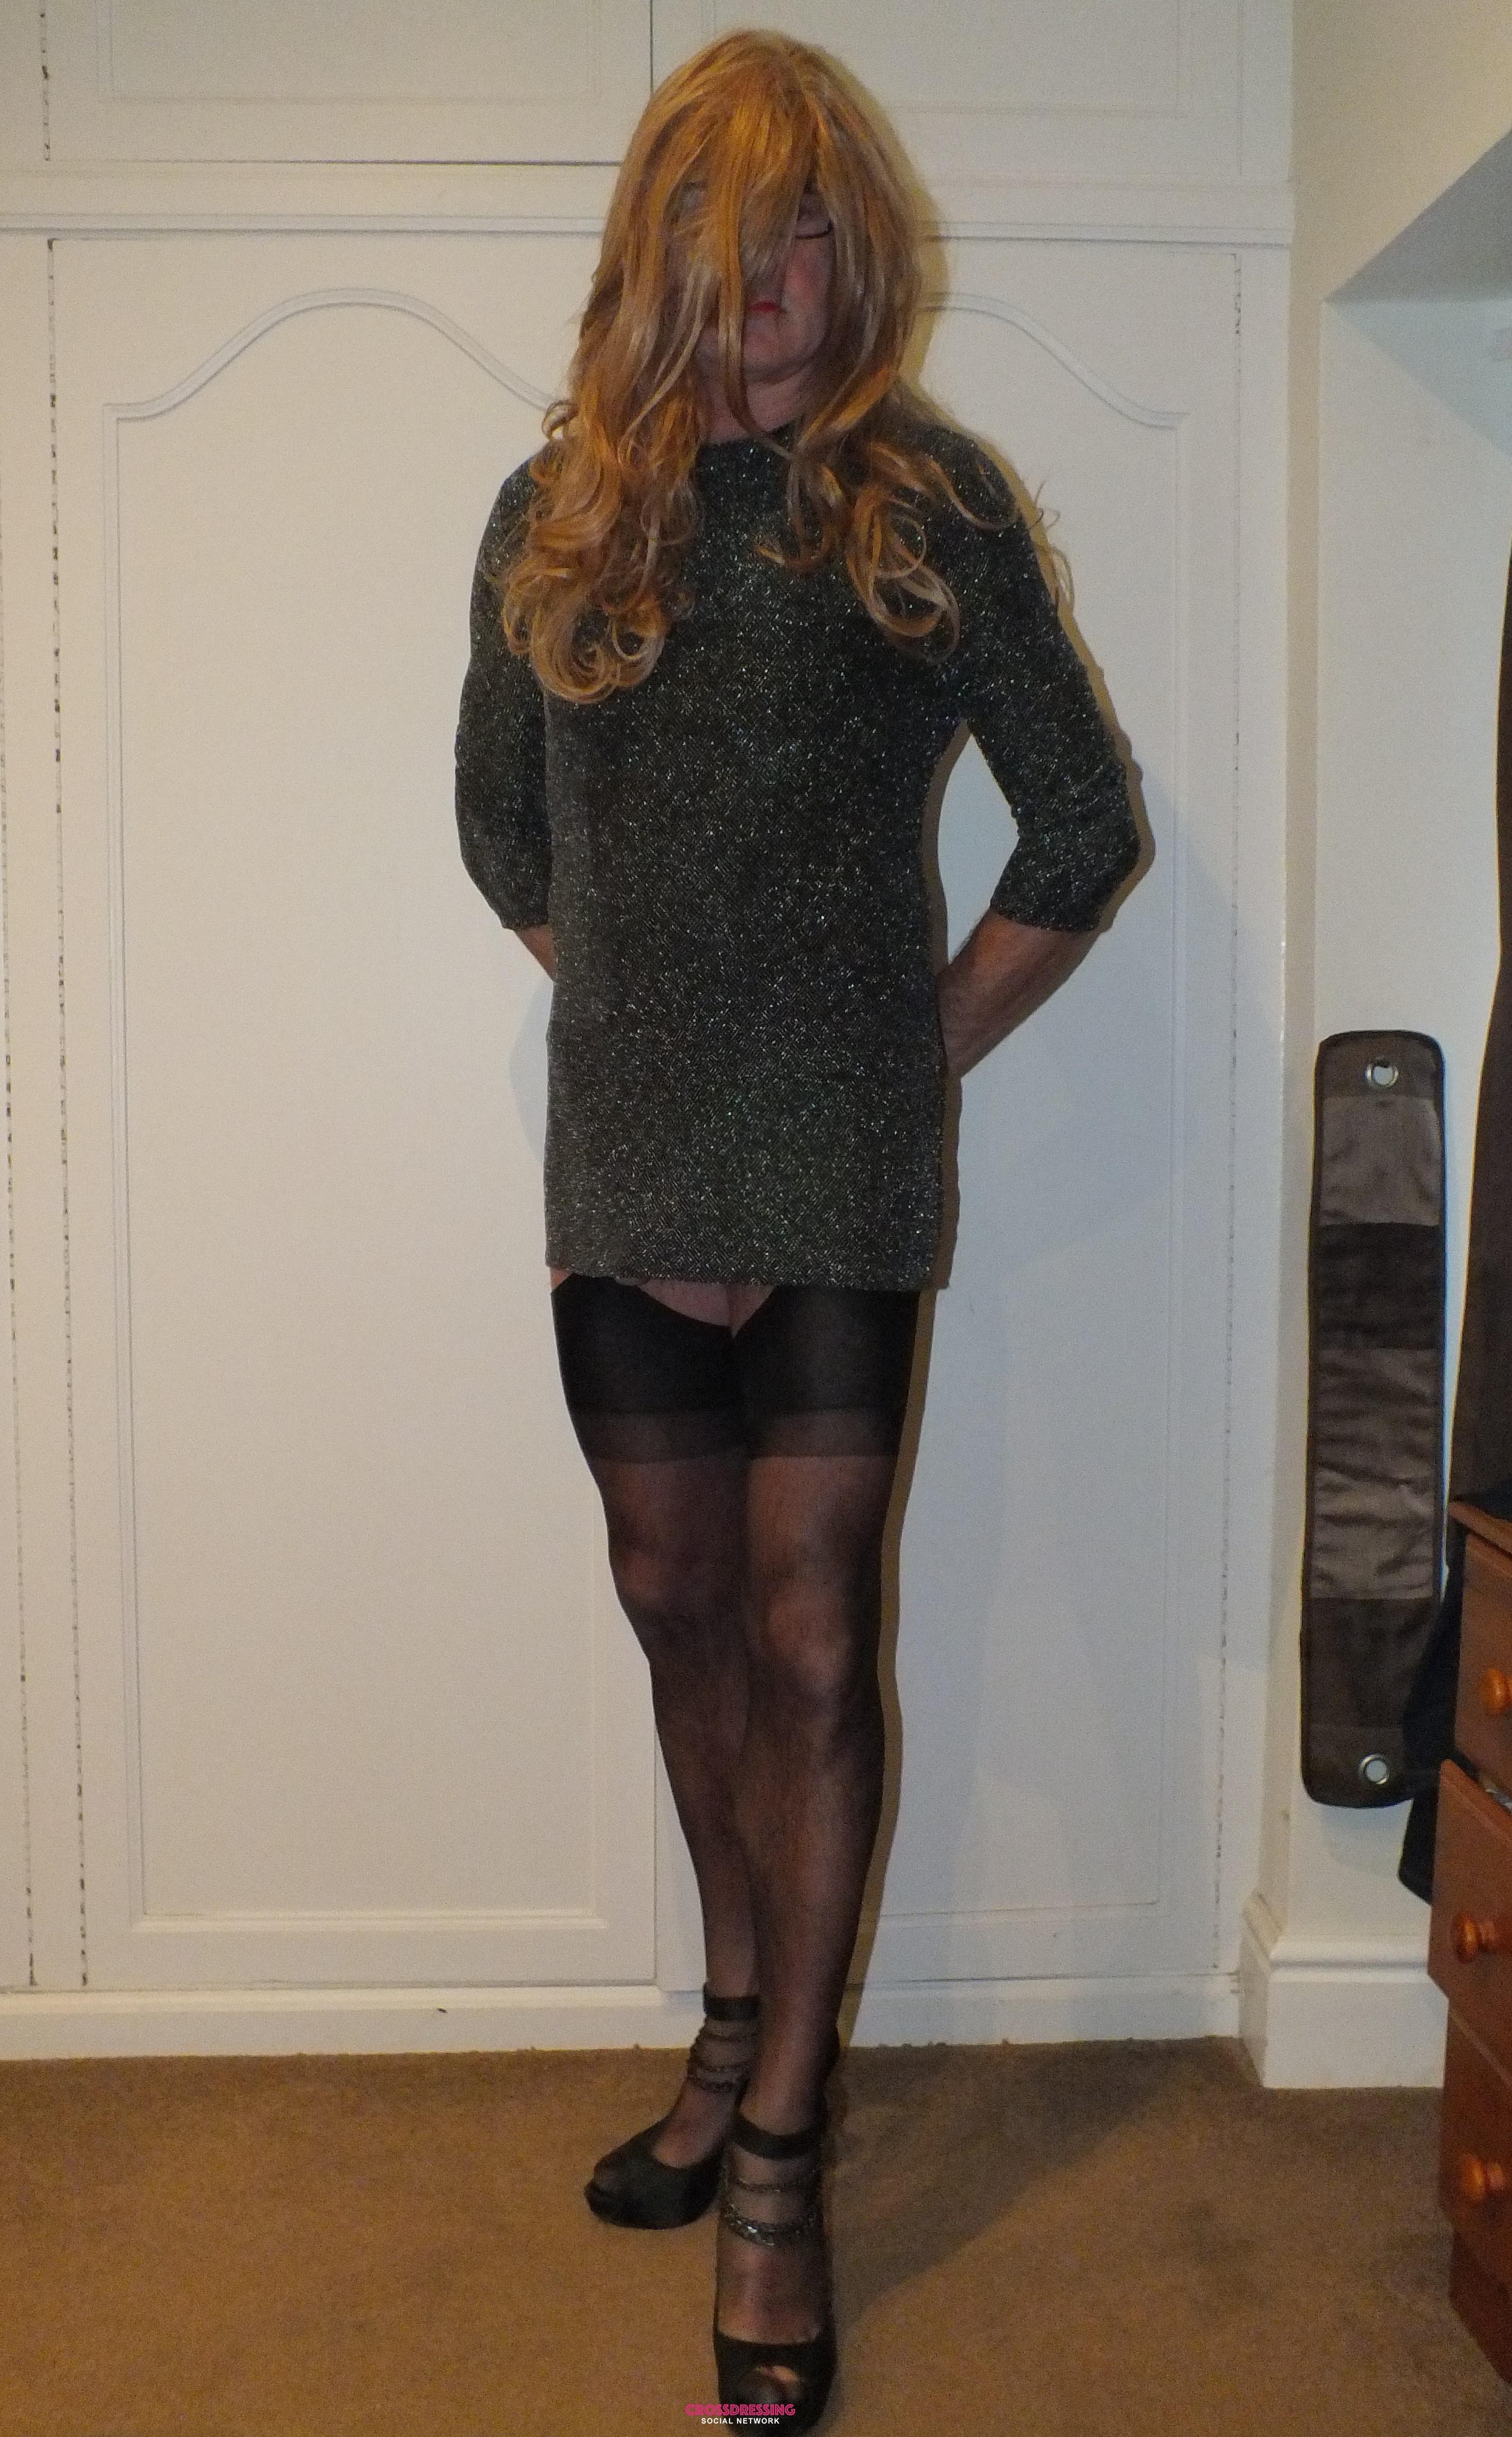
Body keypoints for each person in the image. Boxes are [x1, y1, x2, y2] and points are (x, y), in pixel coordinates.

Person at [454, 28, 1142, 2429]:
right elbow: (501, 833)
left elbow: (1080, 824)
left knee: (814, 1640)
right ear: (648, 257)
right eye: (713, 241)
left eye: (800, 240)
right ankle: (733, 2009)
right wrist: (659, 1017)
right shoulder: (555, 510)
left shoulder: (919, 500)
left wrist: (905, 1044)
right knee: (674, 1607)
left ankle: (776, 2162)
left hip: (843, 1159)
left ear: (855, 253)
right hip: (631, 1153)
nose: (759, 288)